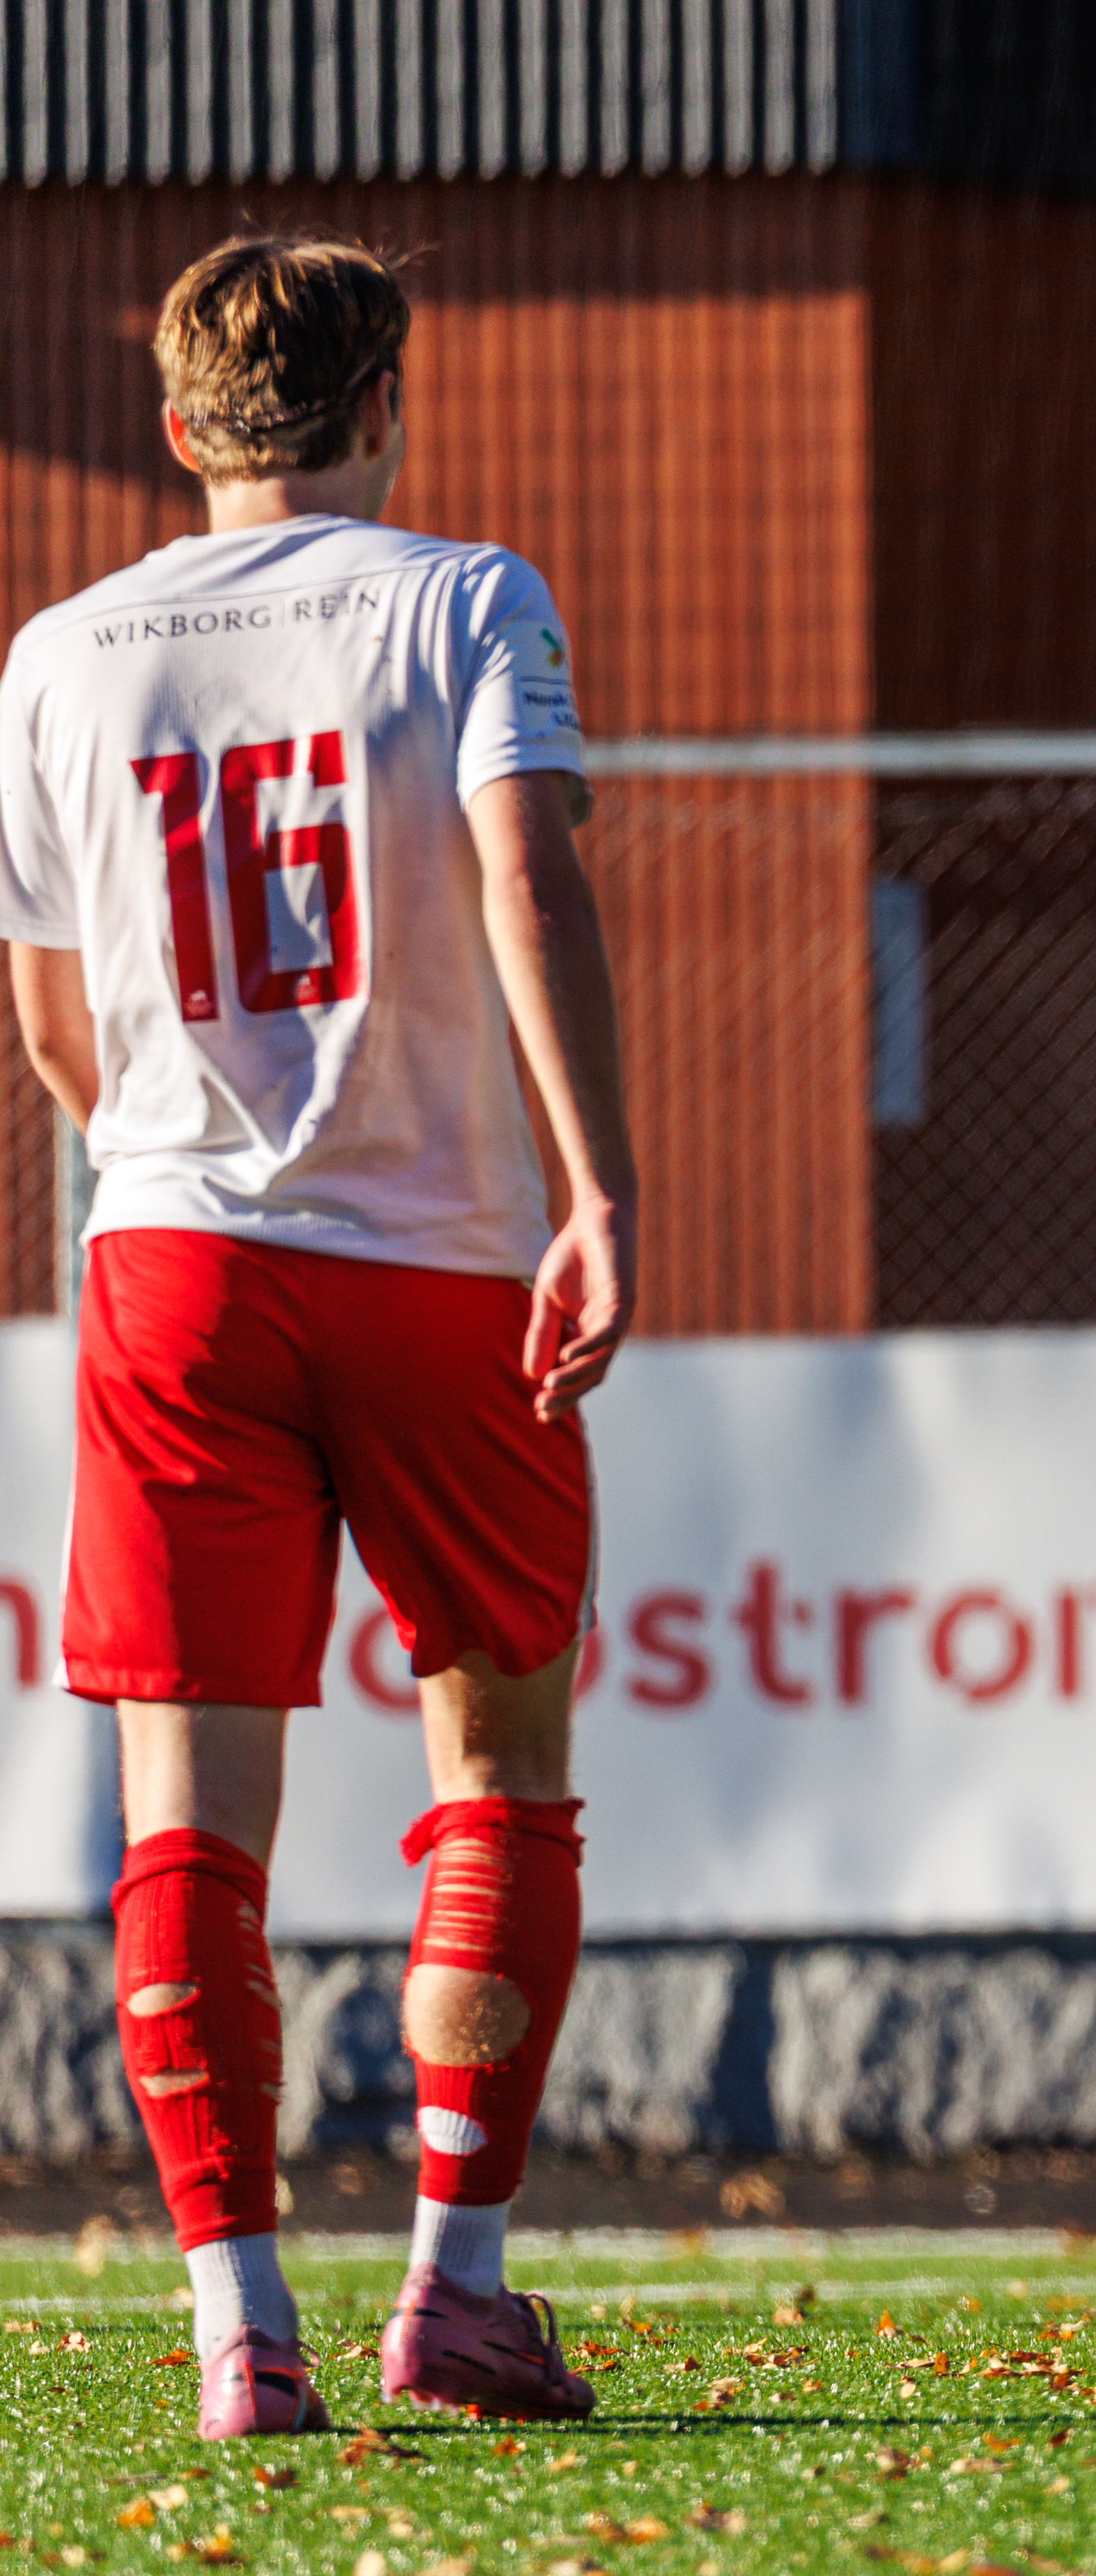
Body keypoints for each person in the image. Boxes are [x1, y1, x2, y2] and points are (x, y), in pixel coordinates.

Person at [0, 235, 639, 2434]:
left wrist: (186, 1156)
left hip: (173, 1259)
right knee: (506, 1759)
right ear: (392, 403)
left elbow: (53, 1025)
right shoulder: (465, 596)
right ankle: (455, 2286)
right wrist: (599, 1191)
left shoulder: (59, 654)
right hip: (444, 1253)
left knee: (187, 1807)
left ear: (179, 428)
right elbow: (532, 881)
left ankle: (235, 2333)